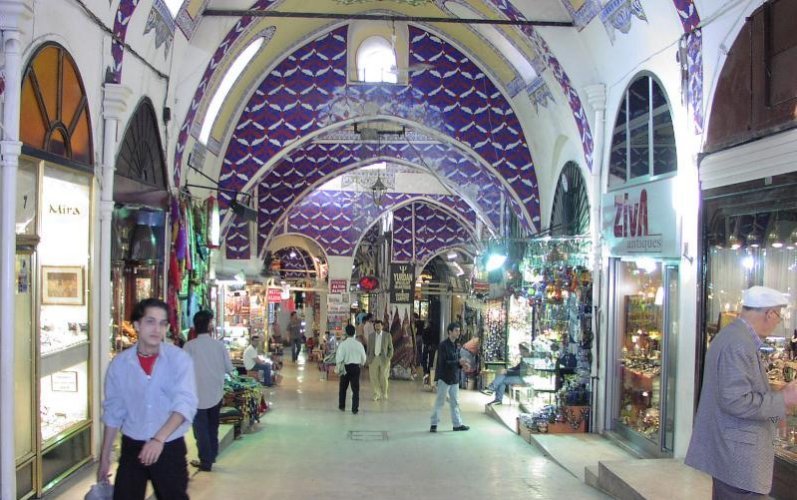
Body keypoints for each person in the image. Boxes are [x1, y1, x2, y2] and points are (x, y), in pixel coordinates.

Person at [685, 286, 797, 498]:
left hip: (732, 456)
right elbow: (736, 401)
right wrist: (783, 400)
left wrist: (776, 401)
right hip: (738, 458)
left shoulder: (734, 337)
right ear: (769, 314)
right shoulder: (738, 343)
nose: (777, 323)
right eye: (778, 317)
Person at [97, 298, 198, 500]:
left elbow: (185, 403)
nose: (157, 329)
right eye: (150, 321)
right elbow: (113, 412)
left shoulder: (178, 360)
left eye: (162, 323)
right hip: (133, 446)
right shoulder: (120, 365)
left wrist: (158, 439)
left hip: (169, 446)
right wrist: (105, 457)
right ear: (137, 325)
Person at [183, 309, 234, 472]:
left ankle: (206, 460)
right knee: (213, 426)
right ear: (209, 326)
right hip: (215, 393)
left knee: (200, 429)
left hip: (195, 394)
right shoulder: (219, 346)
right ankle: (211, 455)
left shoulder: (189, 346)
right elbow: (229, 369)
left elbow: (182, 371)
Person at [430, 322, 469, 433]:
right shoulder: (443, 345)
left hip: (454, 378)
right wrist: (458, 361)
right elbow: (443, 362)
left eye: (459, 330)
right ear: (449, 332)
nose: (458, 333)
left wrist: (463, 364)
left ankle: (457, 424)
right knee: (440, 401)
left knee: (455, 402)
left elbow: (457, 360)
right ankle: (434, 424)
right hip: (444, 378)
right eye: (456, 330)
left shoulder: (457, 345)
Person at [336, 325, 367, 414]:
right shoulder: (359, 344)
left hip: (345, 368)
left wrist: (339, 366)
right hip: (355, 368)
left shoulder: (343, 344)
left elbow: (339, 358)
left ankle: (342, 406)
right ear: (354, 333)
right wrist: (361, 364)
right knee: (355, 389)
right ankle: (354, 409)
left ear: (346, 333)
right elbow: (363, 357)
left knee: (343, 388)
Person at [367, 319, 394, 401]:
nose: (377, 327)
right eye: (376, 325)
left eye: (379, 325)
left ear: (382, 326)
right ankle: (376, 393)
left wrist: (389, 357)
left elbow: (391, 348)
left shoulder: (387, 335)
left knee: (384, 377)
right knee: (374, 377)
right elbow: (368, 348)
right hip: (373, 358)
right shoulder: (371, 336)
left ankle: (384, 392)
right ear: (374, 327)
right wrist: (368, 358)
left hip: (384, 359)